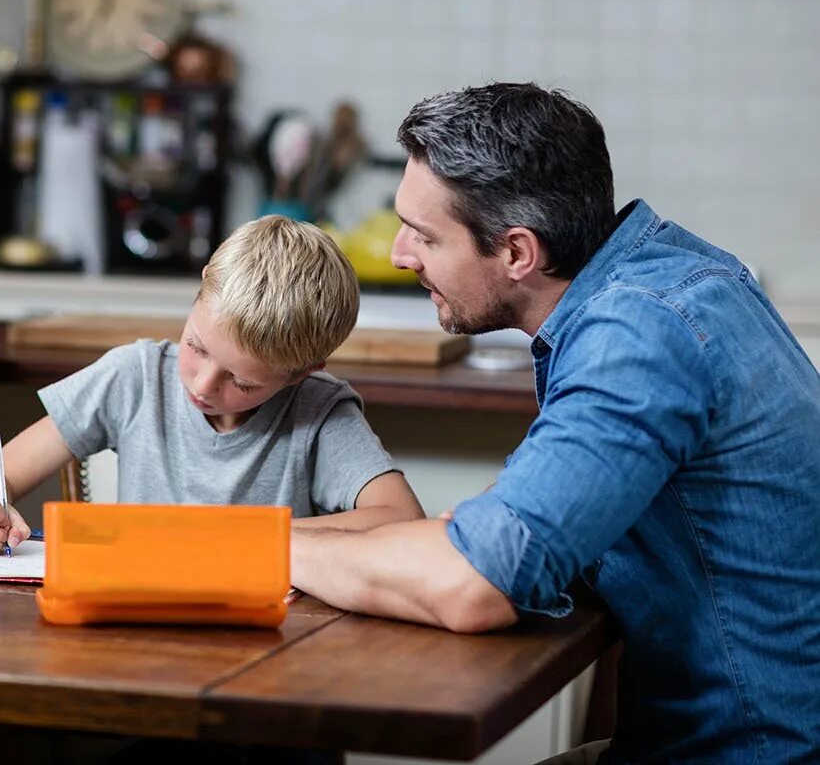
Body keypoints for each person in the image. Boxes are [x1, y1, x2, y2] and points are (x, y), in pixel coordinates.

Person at [290, 83, 820, 763]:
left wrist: (254, 548)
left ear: (517, 253)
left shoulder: (639, 336)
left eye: (424, 234)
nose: (399, 253)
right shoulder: (675, 277)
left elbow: (472, 585)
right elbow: (505, 537)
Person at [0, 215, 424, 554]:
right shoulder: (134, 376)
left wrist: (238, 536)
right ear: (201, 289)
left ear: (305, 372)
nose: (202, 384)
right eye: (196, 346)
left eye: (241, 381)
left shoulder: (318, 411)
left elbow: (400, 518)